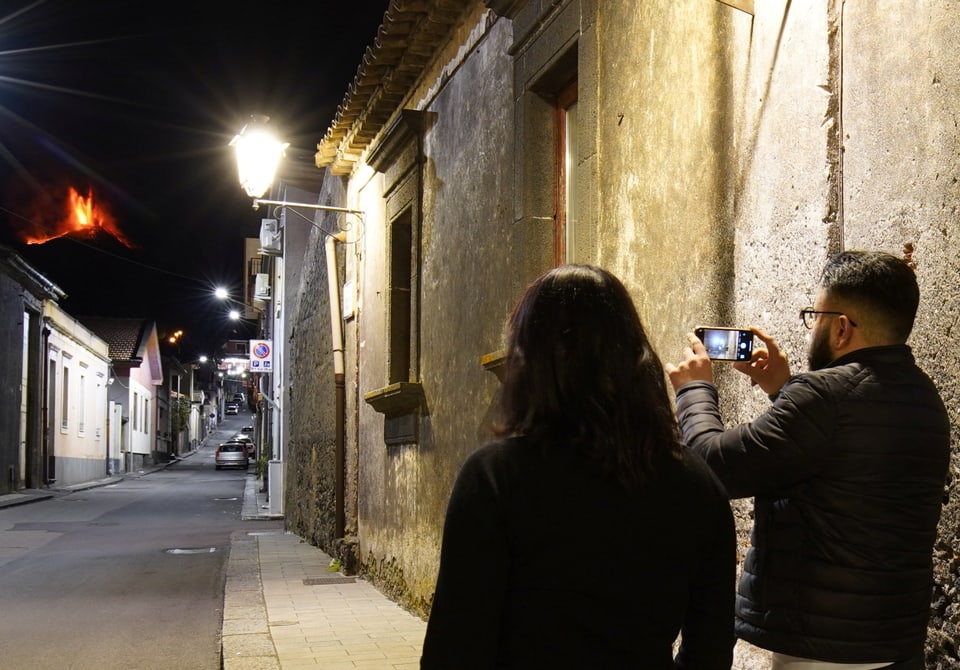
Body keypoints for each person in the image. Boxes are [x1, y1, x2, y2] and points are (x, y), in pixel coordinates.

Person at [420, 265, 736, 669]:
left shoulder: (494, 479)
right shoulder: (698, 485)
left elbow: (456, 646)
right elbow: (711, 648)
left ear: (529, 361)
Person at [665, 251, 950, 670]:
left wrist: (694, 390)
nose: (810, 328)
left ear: (840, 328)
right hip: (894, 644)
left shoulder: (823, 397)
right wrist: (782, 389)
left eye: (813, 316)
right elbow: (836, 461)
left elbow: (713, 467)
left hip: (824, 652)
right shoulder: (924, 398)